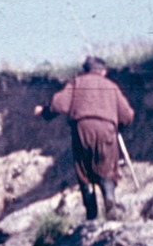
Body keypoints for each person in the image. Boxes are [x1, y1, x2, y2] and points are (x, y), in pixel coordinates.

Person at [37, 55, 135, 221]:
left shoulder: (77, 82)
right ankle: (109, 200)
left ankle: (91, 213)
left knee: (84, 170)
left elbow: (59, 104)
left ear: (86, 69)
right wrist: (119, 126)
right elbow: (127, 115)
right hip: (106, 128)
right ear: (103, 71)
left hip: (82, 128)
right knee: (107, 168)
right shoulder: (112, 86)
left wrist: (44, 112)